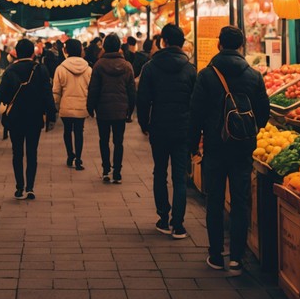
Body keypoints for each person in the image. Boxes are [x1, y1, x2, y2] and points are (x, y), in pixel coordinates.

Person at [189, 25, 270, 273]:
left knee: (214, 201)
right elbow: (263, 114)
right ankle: (236, 258)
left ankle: (215, 255)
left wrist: (194, 145)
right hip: (243, 148)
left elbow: (196, 114)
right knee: (240, 201)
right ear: (241, 46)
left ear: (218, 44)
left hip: (215, 146)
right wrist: (245, 129)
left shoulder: (206, 75)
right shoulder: (254, 76)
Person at [137, 23, 197, 237]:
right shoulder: (190, 69)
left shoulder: (151, 67)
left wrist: (144, 125)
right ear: (181, 43)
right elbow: (195, 103)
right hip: (183, 128)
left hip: (159, 128)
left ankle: (163, 217)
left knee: (159, 172)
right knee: (179, 176)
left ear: (164, 42)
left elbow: (142, 100)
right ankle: (178, 224)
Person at [0, 38, 56, 200]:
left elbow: (2, 95)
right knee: (32, 152)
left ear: (16, 52)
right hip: (35, 117)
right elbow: (47, 93)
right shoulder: (40, 69)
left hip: (15, 117)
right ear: (32, 53)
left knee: (17, 152)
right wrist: (51, 114)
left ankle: (19, 187)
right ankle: (30, 187)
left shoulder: (10, 70)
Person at [87, 33, 136, 184]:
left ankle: (106, 169)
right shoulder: (127, 66)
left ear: (105, 47)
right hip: (121, 109)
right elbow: (131, 90)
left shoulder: (99, 65)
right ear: (119, 47)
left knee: (104, 140)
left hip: (103, 109)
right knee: (118, 141)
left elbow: (93, 89)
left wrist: (91, 107)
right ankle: (117, 172)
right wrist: (130, 109)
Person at [52, 38, 92, 170]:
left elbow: (56, 90)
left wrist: (55, 106)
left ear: (66, 50)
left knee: (67, 131)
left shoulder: (61, 68)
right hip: (82, 106)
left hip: (66, 106)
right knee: (79, 132)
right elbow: (91, 88)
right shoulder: (88, 69)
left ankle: (70, 155)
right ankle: (79, 159)